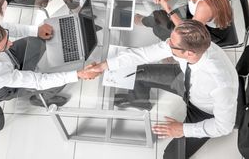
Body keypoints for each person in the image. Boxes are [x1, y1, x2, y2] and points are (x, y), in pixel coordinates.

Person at [88, 20, 238, 158]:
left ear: (189, 53)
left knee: (170, 157)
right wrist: (104, 66)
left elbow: (224, 126)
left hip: (203, 111)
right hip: (183, 80)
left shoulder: (221, 83)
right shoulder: (193, 46)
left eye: (171, 44)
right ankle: (139, 101)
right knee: (139, 71)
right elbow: (143, 54)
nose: (167, 44)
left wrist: (183, 129)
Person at [0, 20, 99, 107]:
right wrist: (78, 74)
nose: (11, 43)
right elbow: (39, 81)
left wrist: (36, 30)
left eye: (7, 37)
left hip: (8, 58)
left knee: (38, 39)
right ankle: (42, 99)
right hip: (4, 87)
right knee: (57, 79)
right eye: (4, 45)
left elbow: (9, 28)